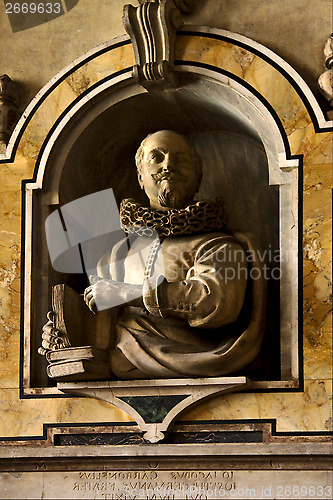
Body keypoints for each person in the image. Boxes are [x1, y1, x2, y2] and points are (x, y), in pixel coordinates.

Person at [41, 130, 266, 379]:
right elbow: (100, 321)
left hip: (198, 357)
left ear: (198, 177)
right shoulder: (116, 254)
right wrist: (65, 332)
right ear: (140, 176)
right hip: (118, 361)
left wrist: (126, 295)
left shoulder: (221, 245)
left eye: (180, 159)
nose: (167, 165)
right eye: (156, 158)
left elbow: (214, 303)